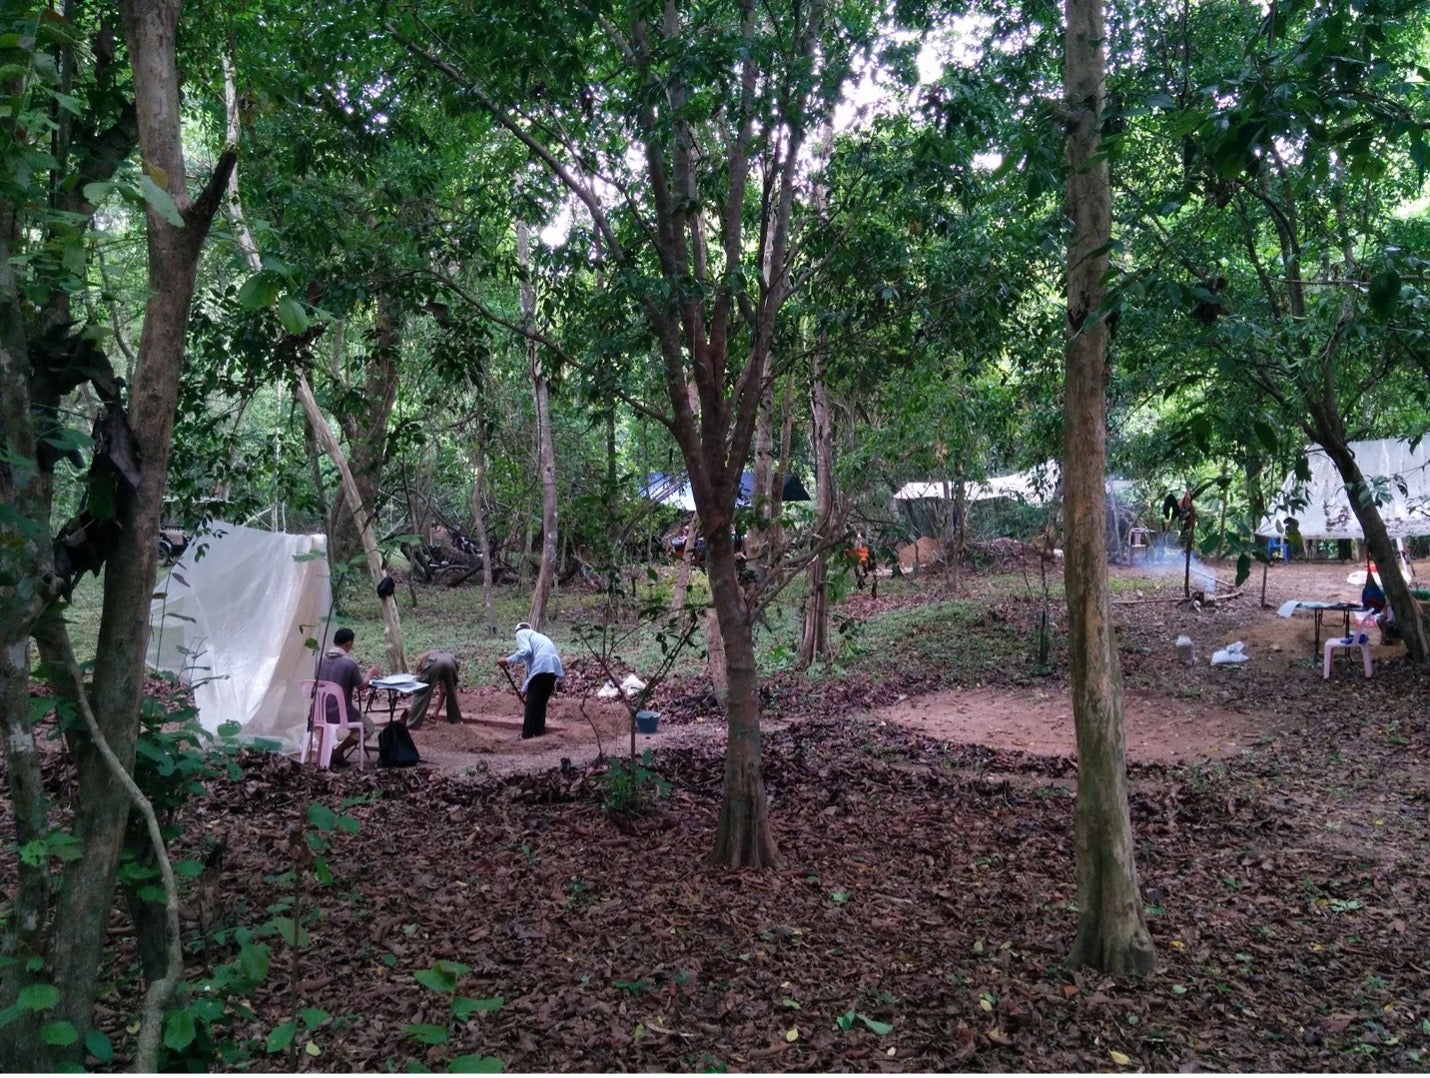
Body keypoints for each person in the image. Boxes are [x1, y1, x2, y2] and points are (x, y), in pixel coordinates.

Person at [315, 627, 380, 766]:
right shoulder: (349, 663)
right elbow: (361, 686)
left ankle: (329, 754)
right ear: (349, 643)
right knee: (367, 726)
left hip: (318, 711)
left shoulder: (319, 660)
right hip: (340, 713)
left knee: (329, 727)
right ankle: (337, 752)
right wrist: (370, 674)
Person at [497, 622, 563, 739]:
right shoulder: (537, 638)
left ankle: (526, 734)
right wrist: (525, 689)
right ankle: (538, 732)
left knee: (531, 703)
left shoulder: (521, 633)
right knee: (540, 702)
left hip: (543, 665)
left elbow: (526, 651)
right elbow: (531, 671)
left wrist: (507, 660)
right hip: (552, 667)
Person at [404, 650, 462, 729]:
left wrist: (413, 708)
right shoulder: (438, 655)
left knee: (421, 690)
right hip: (451, 661)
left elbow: (420, 690)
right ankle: (456, 720)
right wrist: (435, 713)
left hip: (435, 663)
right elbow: (444, 691)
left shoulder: (424, 661)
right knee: (451, 691)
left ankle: (412, 722)